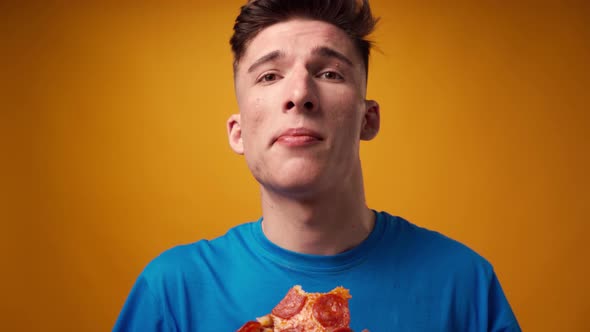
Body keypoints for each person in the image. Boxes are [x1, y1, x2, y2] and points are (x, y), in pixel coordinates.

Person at [114, 0, 521, 331]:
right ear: (238, 132)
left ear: (368, 118)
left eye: (328, 72)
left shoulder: (464, 285)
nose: (299, 93)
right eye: (270, 76)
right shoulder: (171, 294)